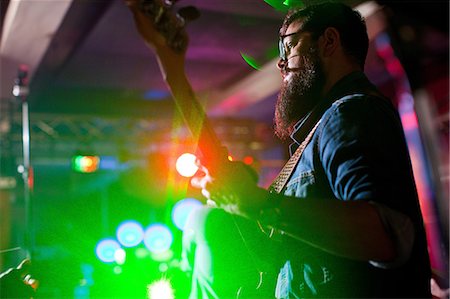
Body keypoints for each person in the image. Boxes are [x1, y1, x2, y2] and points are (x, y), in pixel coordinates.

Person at [126, 1, 432, 298]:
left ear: (329, 41)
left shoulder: (351, 111)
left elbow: (386, 234)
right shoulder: (322, 130)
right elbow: (268, 246)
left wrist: (257, 203)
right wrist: (173, 70)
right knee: (208, 221)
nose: (281, 61)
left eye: (289, 45)